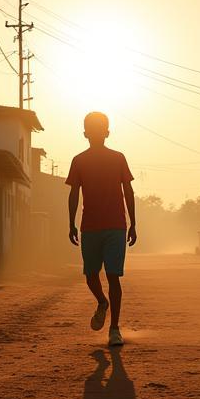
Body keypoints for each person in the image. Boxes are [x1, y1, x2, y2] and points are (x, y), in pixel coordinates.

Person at [67, 111, 137, 347]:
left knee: (113, 276)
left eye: (100, 130)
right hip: (90, 226)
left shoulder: (118, 158)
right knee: (90, 275)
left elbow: (128, 191)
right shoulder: (79, 160)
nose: (96, 134)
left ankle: (114, 329)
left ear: (107, 133)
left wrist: (133, 223)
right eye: (92, 130)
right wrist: (71, 223)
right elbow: (73, 193)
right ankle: (102, 302)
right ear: (85, 133)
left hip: (116, 226)